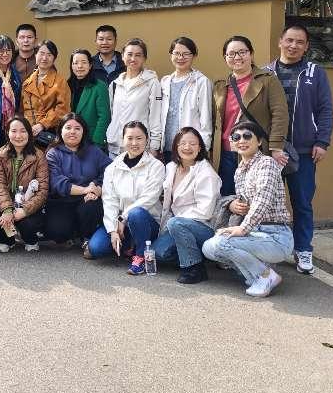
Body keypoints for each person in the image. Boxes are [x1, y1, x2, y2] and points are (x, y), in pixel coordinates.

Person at [264, 24, 333, 274]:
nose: (293, 46)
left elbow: (325, 109)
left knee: (302, 202)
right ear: (280, 41)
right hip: (271, 150)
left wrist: (322, 142)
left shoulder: (315, 73)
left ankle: (303, 249)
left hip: (304, 150)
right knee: (266, 202)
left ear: (306, 47)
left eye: (299, 42)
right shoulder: (265, 73)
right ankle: (266, 250)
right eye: (289, 40)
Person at [202, 121, 294, 297]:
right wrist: (234, 206)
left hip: (275, 236)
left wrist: (243, 229)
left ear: (259, 141)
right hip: (255, 233)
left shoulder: (266, 163)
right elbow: (245, 204)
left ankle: (264, 276)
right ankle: (261, 274)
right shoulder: (240, 171)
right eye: (236, 137)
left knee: (221, 243)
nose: (241, 140)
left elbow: (262, 200)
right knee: (209, 247)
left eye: (247, 136)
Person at [213, 35, 289, 196]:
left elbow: (280, 114)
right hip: (226, 153)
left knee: (255, 198)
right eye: (231, 54)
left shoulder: (268, 80)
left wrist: (276, 147)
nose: (237, 57)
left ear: (251, 54)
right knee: (228, 200)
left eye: (242, 52)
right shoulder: (220, 86)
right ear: (225, 57)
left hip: (255, 151)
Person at [87, 121, 164, 275]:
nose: (134, 143)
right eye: (129, 138)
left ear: (147, 140)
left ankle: (140, 256)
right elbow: (109, 201)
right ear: (123, 140)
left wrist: (123, 218)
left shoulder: (156, 166)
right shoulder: (112, 168)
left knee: (136, 213)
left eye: (139, 138)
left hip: (146, 223)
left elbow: (148, 198)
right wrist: (112, 230)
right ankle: (129, 245)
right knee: (96, 248)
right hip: (120, 224)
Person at [153, 127, 220, 283]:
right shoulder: (171, 167)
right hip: (177, 225)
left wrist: (176, 221)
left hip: (203, 226)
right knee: (159, 253)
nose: (187, 147)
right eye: (182, 143)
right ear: (176, 147)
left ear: (200, 147)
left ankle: (194, 267)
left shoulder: (206, 173)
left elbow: (206, 211)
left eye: (193, 144)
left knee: (175, 224)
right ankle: (198, 255)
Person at [45, 113, 110, 252]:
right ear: (60, 131)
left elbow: (110, 172)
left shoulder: (94, 151)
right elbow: (57, 183)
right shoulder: (53, 153)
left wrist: (97, 188)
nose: (72, 131)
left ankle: (87, 237)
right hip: (62, 200)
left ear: (83, 131)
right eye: (68, 127)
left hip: (87, 199)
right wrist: (86, 189)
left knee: (91, 208)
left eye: (77, 128)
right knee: (57, 232)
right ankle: (72, 232)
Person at [0, 115, 49, 253]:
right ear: (7, 133)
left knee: (28, 223)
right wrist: (7, 209)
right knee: (1, 216)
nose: (18, 136)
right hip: (7, 200)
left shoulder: (39, 155)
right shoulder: (0, 154)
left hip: (28, 200)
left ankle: (30, 239)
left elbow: (43, 189)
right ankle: (6, 240)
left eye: (23, 131)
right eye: (14, 131)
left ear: (29, 133)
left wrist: (24, 210)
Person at [105, 38, 162, 158]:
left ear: (144, 58)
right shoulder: (115, 84)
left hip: (139, 147)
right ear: (122, 56)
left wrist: (154, 146)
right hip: (115, 147)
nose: (133, 58)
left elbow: (156, 116)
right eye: (129, 54)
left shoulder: (151, 82)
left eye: (138, 55)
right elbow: (112, 114)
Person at [158, 37, 213, 163]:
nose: (180, 57)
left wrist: (203, 150)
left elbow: (206, 119)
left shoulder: (201, 82)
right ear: (171, 55)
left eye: (186, 54)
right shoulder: (164, 82)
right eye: (176, 53)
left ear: (194, 55)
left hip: (190, 150)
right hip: (167, 148)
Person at [21, 40, 71, 146]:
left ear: (54, 58)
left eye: (49, 55)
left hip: (49, 133)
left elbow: (62, 109)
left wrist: (42, 124)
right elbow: (23, 109)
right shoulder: (27, 82)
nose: (44, 58)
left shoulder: (60, 81)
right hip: (28, 132)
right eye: (42, 53)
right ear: (35, 55)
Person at [68, 49, 110, 146]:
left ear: (90, 65)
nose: (79, 66)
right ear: (71, 66)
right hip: (70, 138)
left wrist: (96, 141)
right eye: (75, 63)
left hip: (91, 139)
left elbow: (104, 117)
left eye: (84, 62)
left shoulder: (99, 86)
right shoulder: (67, 85)